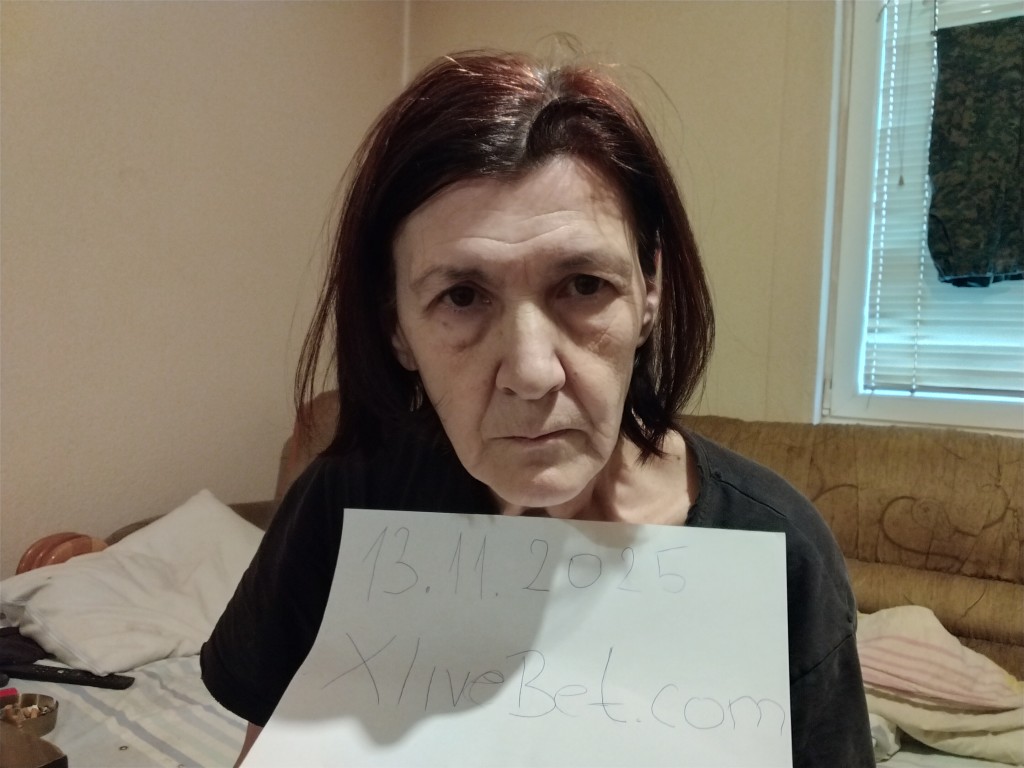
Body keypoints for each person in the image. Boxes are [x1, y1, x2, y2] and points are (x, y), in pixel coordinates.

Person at [201, 49, 873, 767]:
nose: (530, 372)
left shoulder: (775, 547)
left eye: (583, 285)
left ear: (649, 291)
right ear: (396, 325)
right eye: (461, 296)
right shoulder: (346, 502)